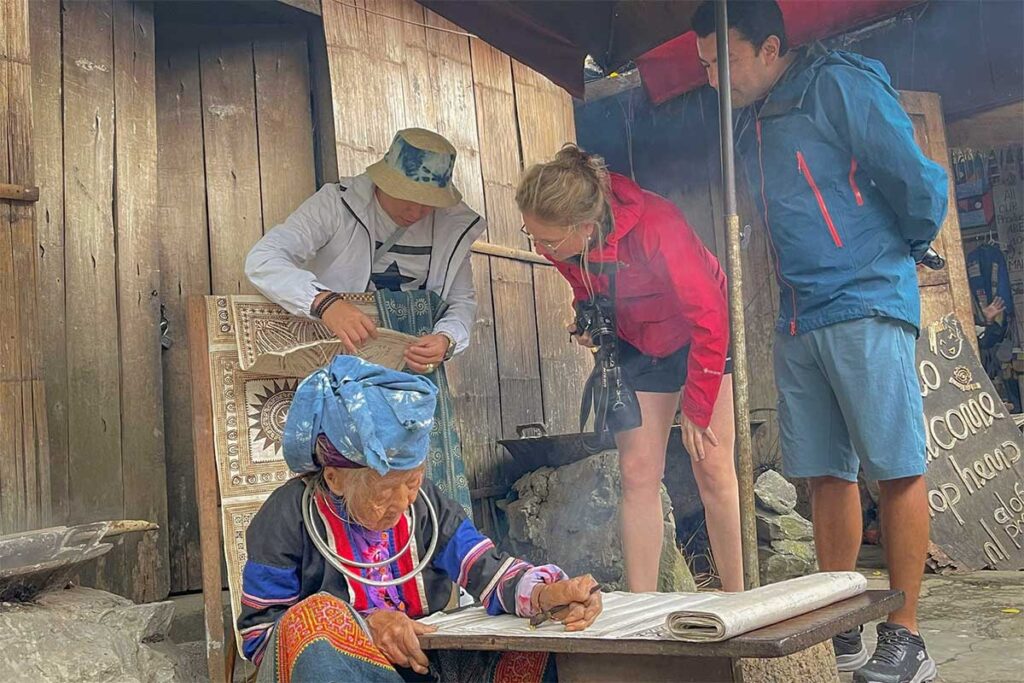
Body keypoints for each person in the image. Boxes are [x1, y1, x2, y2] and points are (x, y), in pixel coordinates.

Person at [693, 3, 947, 682]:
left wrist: (903, 250)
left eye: (724, 60)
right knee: (825, 474)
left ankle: (907, 634)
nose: (715, 78)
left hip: (864, 296)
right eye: (703, 66)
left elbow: (919, 183)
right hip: (798, 316)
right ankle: (842, 622)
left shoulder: (839, 84)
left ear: (771, 46)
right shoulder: (746, 123)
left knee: (893, 464)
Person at [238, 355, 602, 682]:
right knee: (313, 618)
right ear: (334, 478)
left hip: (424, 668)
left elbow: (485, 567)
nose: (402, 502)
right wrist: (362, 627)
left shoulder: (426, 506)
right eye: (383, 492)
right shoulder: (286, 518)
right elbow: (261, 638)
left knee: (537, 648)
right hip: (341, 673)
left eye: (411, 482)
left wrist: (544, 594)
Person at [515, 145, 743, 593]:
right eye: (532, 236)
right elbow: (586, 286)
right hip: (638, 342)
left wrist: (696, 408)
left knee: (712, 466)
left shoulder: (659, 225)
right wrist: (588, 318)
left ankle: (738, 597)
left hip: (700, 340)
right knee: (638, 472)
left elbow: (711, 319)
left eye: (547, 241)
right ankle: (643, 605)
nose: (541, 250)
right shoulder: (567, 245)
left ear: (583, 225)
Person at [245, 127, 486, 375]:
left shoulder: (452, 227)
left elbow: (461, 302)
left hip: (408, 367)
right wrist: (324, 303)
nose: (415, 213)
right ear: (385, 181)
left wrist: (446, 338)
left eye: (428, 204)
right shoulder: (336, 204)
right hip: (334, 354)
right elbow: (263, 260)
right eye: (407, 198)